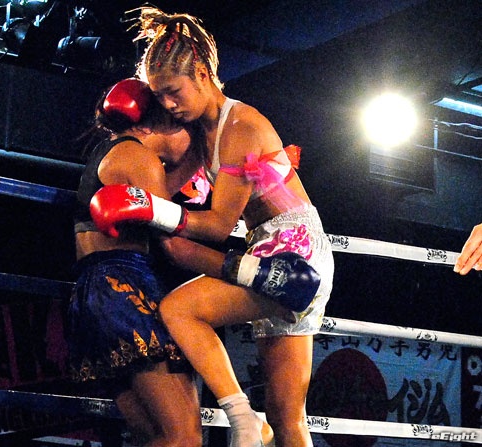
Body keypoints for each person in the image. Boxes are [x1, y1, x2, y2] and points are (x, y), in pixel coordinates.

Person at [90, 7, 335, 447]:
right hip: (270, 250)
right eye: (159, 96)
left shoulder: (240, 126)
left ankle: (242, 419)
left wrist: (149, 208)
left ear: (202, 73)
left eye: (173, 92)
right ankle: (255, 423)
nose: (168, 104)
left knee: (180, 309)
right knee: (286, 415)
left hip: (292, 248)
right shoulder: (202, 135)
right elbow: (170, 190)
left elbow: (219, 225)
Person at [67, 78, 204, 447]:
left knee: (155, 437)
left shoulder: (115, 152)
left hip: (95, 294)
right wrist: (245, 269)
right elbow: (175, 246)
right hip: (123, 288)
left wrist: (197, 157)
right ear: (156, 125)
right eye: (182, 125)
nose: (189, 132)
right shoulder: (139, 158)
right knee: (184, 438)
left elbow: (157, 198)